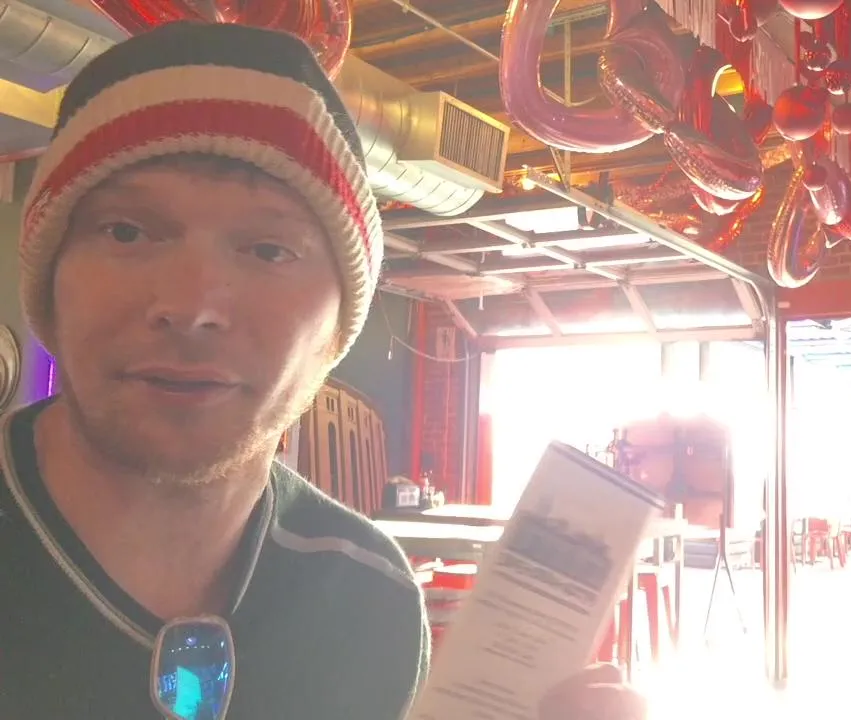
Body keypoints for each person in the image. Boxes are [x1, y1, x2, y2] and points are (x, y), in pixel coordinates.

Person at [0, 21, 642, 720]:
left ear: (341, 324)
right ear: (48, 284)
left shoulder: (369, 602)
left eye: (268, 250)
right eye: (126, 231)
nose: (191, 307)